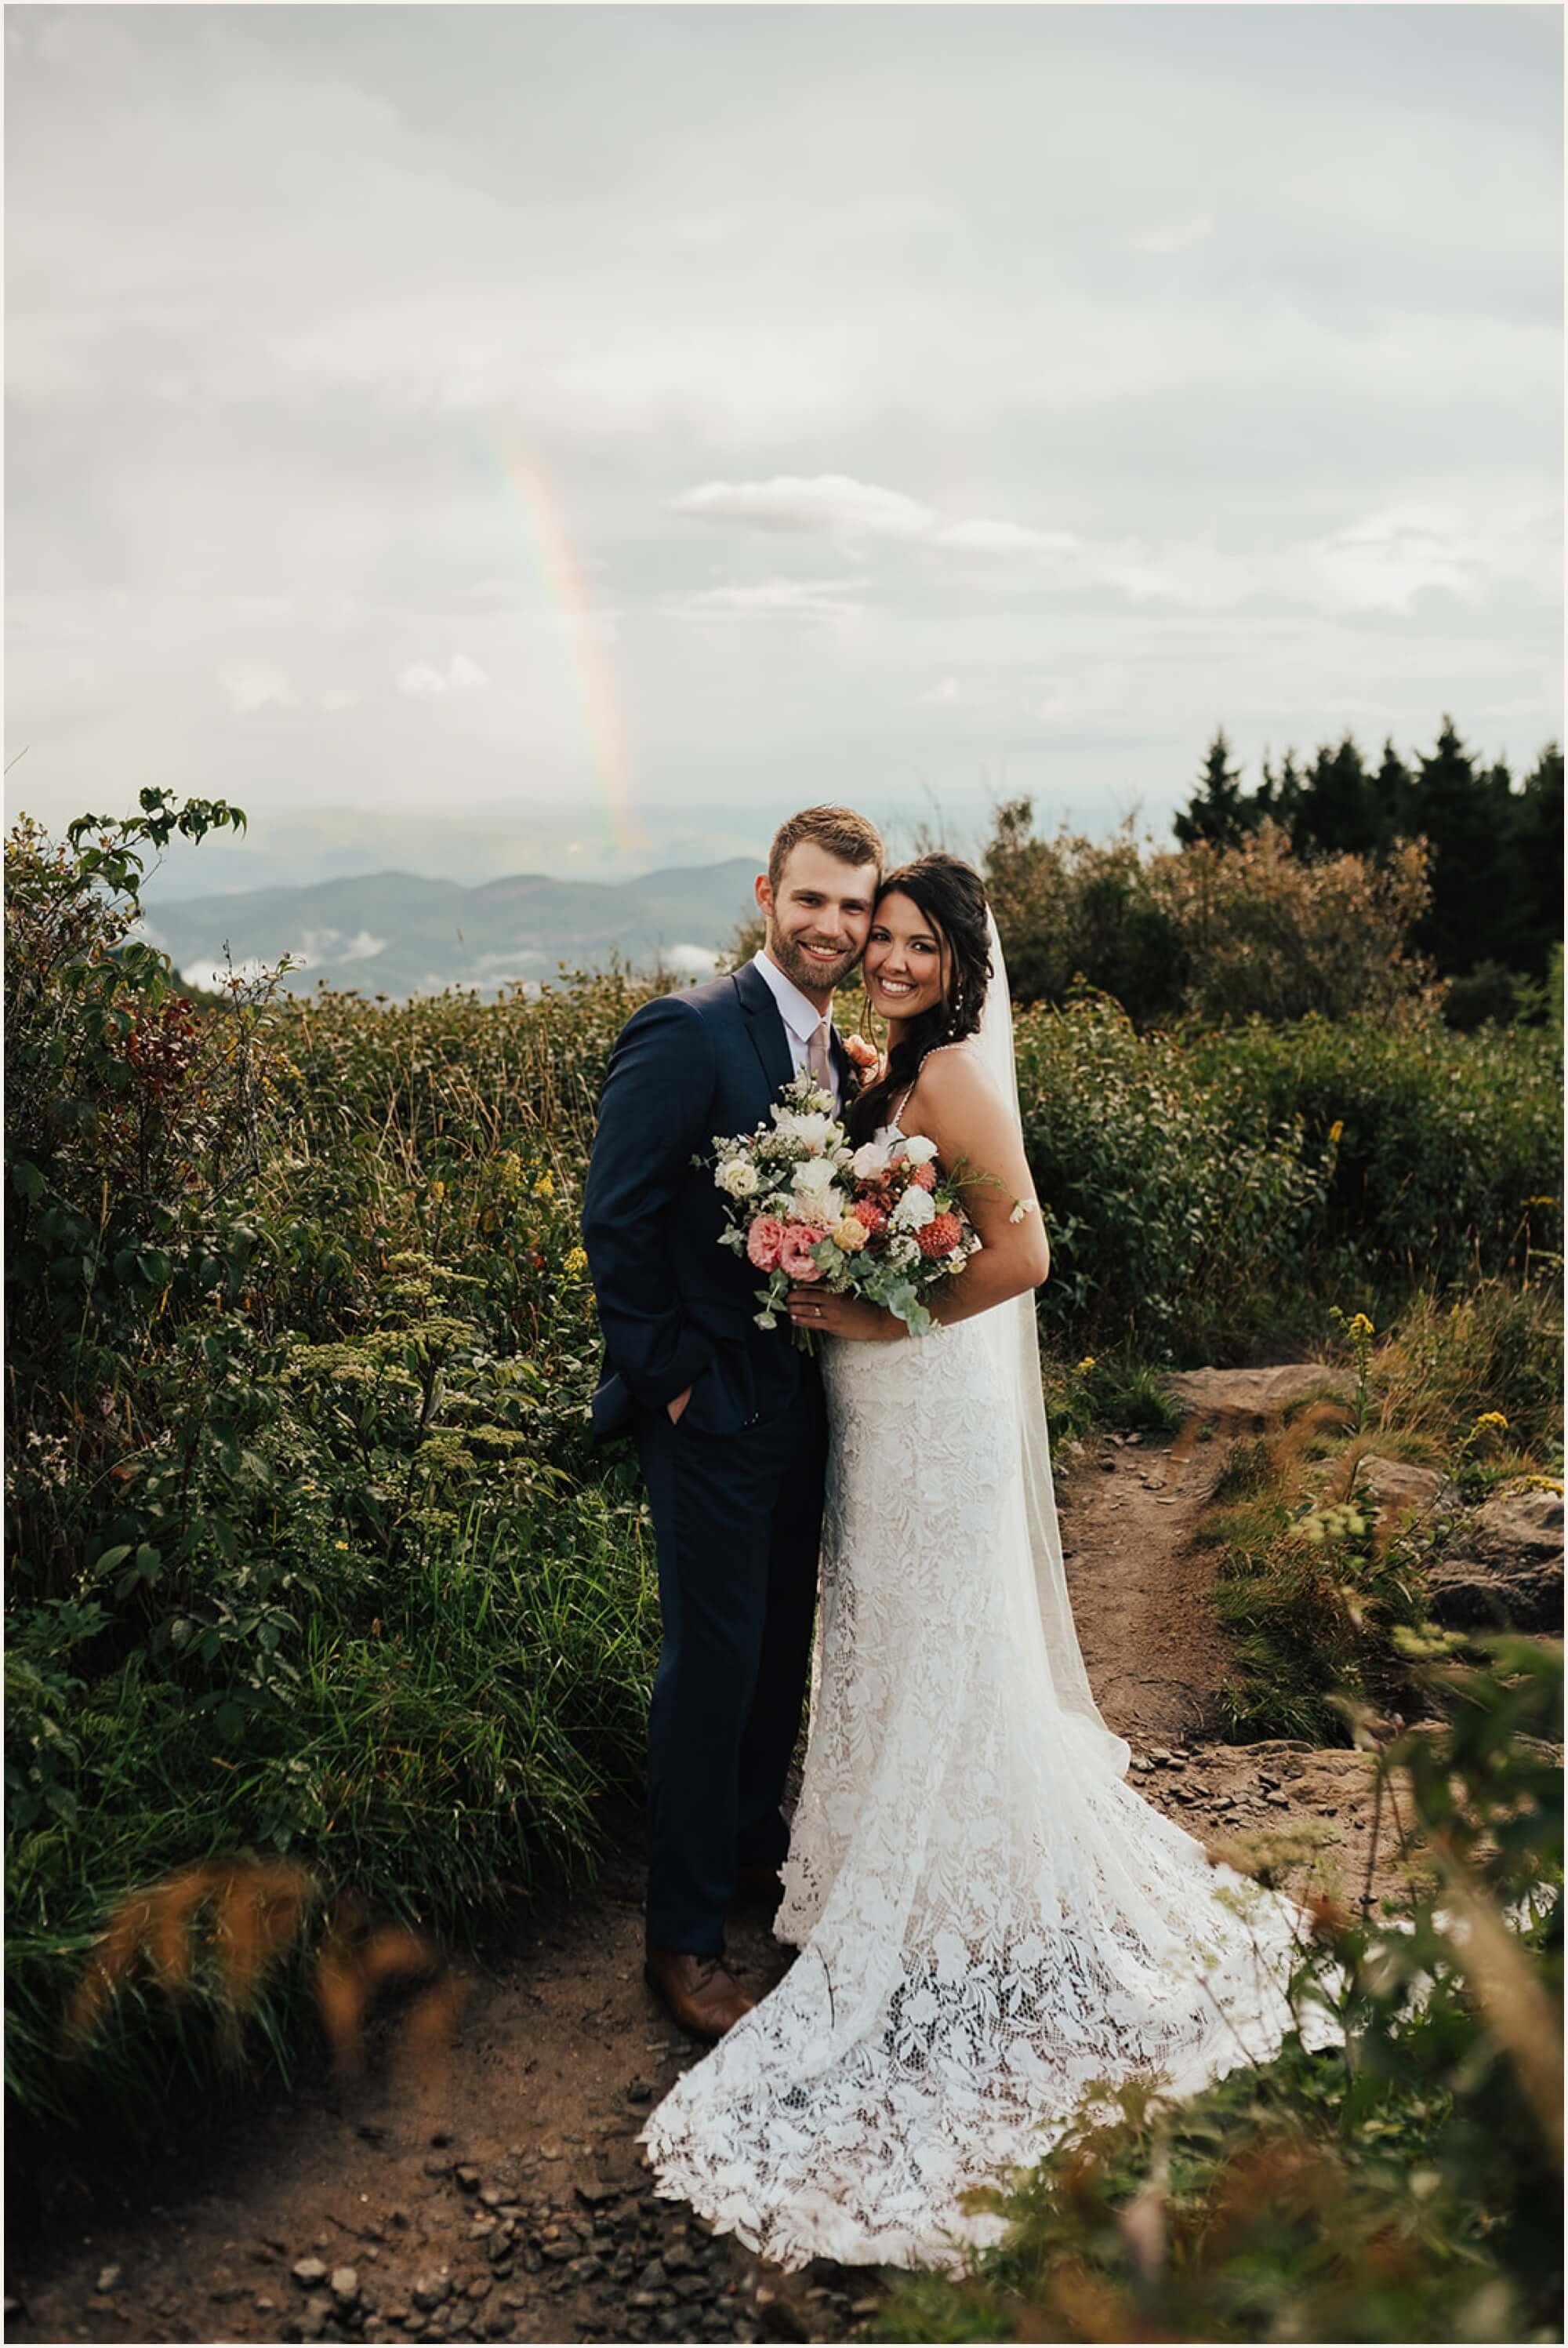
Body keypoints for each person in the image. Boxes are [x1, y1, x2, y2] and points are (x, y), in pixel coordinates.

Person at [637, 852, 1340, 2271]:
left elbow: (1021, 1260)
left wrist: (881, 1318)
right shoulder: (875, 1064)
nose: (884, 956)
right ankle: (864, 1853)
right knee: (888, 1624)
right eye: (873, 934)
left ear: (961, 959)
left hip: (925, 1393)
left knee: (941, 1621)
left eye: (910, 941)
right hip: (872, 1404)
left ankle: (959, 1870)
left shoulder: (950, 1074)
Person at [580, 804, 884, 2041]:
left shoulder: (830, 1049)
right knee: (710, 1667)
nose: (832, 926)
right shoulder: (692, 1029)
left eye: (854, 908)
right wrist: (674, 1379)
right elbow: (617, 1214)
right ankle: (683, 1940)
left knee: (774, 1654)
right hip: (709, 1407)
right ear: (769, 894)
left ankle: (756, 1854)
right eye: (812, 900)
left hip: (799, 1402)